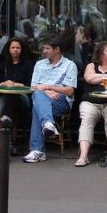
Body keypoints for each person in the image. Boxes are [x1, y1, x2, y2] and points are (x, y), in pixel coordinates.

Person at [23, 35, 78, 163]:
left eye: (47, 48)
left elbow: (70, 90)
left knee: (38, 101)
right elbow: (33, 87)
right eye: (44, 48)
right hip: (41, 98)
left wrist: (47, 87)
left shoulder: (70, 65)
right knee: (38, 99)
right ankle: (47, 124)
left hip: (61, 101)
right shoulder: (39, 64)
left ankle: (38, 150)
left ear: (57, 49)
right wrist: (46, 92)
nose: (44, 51)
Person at [75, 41, 107, 167]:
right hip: (91, 102)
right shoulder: (91, 66)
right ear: (100, 53)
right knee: (87, 118)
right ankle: (83, 156)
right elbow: (89, 78)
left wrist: (100, 78)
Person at [0, 38, 34, 123]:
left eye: (18, 48)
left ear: (22, 49)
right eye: (13, 47)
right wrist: (3, 83)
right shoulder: (3, 64)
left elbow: (31, 85)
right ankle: (1, 124)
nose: (15, 50)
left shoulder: (28, 65)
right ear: (8, 49)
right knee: (5, 97)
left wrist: (14, 84)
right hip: (3, 94)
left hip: (22, 97)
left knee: (8, 97)